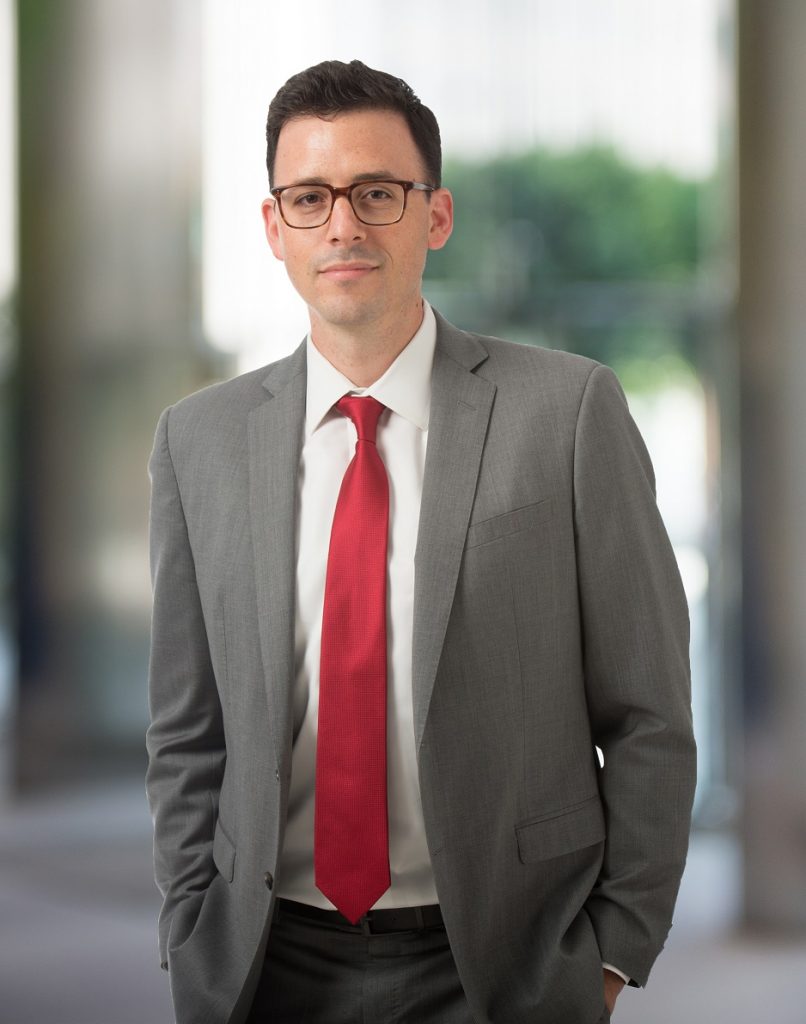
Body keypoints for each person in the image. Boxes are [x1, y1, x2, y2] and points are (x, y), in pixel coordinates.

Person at [146, 59, 696, 1024]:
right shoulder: (197, 441)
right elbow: (188, 728)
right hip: (261, 962)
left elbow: (649, 710)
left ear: (434, 216)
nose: (345, 226)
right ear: (275, 229)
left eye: (378, 193)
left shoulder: (565, 413)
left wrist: (614, 952)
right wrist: (191, 920)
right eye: (311, 198)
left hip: (505, 961)